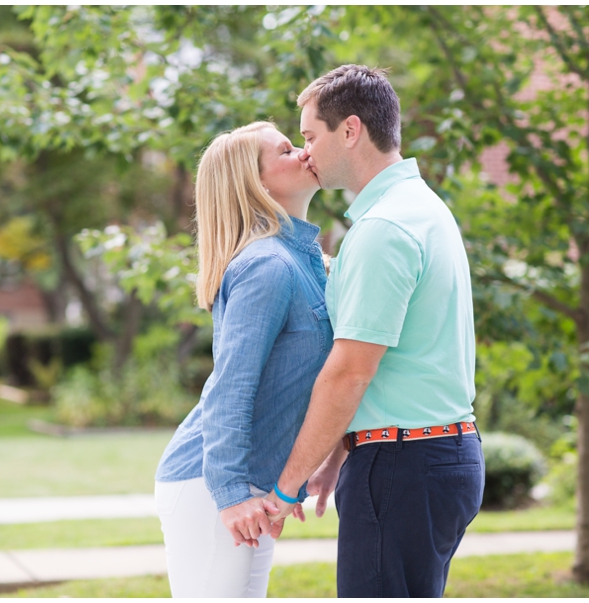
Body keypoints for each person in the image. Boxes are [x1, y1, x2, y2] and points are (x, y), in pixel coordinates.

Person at [265, 64, 485, 597]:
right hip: (429, 458)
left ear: (350, 130)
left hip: (403, 468)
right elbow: (390, 359)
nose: (306, 152)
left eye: (310, 136)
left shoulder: (383, 228)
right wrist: (338, 455)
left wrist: (286, 484)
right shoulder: (421, 208)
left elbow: (349, 373)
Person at [154, 121, 333, 597]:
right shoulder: (268, 266)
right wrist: (231, 494)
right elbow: (230, 389)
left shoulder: (305, 258)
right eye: (286, 150)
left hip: (252, 485)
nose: (304, 152)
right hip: (213, 488)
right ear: (254, 182)